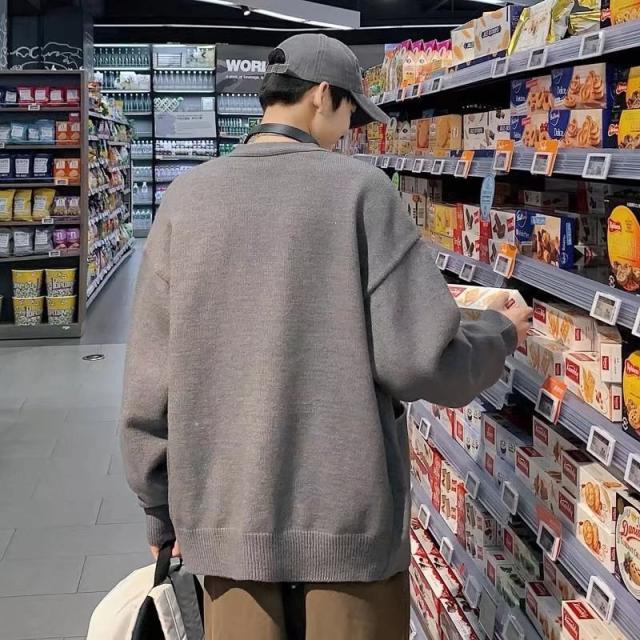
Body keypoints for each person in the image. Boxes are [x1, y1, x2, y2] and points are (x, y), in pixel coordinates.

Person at [120, 33, 531, 640]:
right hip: (347, 531)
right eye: (349, 113)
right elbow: (420, 362)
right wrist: (498, 332)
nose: (348, 130)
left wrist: (161, 509)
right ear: (321, 96)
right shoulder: (359, 192)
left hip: (228, 528)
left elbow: (148, 385)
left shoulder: (185, 200)